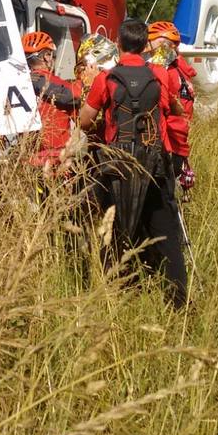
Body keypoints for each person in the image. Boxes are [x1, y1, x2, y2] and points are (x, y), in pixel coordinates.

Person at [79, 18, 187, 305]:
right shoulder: (160, 75)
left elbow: (84, 121)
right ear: (144, 45)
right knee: (165, 233)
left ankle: (118, 294)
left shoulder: (106, 78)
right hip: (155, 163)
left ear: (118, 44)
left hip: (118, 164)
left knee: (114, 229)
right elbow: (174, 109)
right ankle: (178, 301)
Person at [147, 21, 197, 192]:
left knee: (162, 198)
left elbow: (161, 104)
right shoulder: (181, 70)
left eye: (149, 41)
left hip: (168, 145)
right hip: (179, 144)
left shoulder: (165, 71)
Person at [22, 31, 81, 169]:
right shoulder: (63, 87)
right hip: (57, 163)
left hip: (27, 161)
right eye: (51, 54)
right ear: (46, 57)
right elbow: (82, 120)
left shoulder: (19, 85)